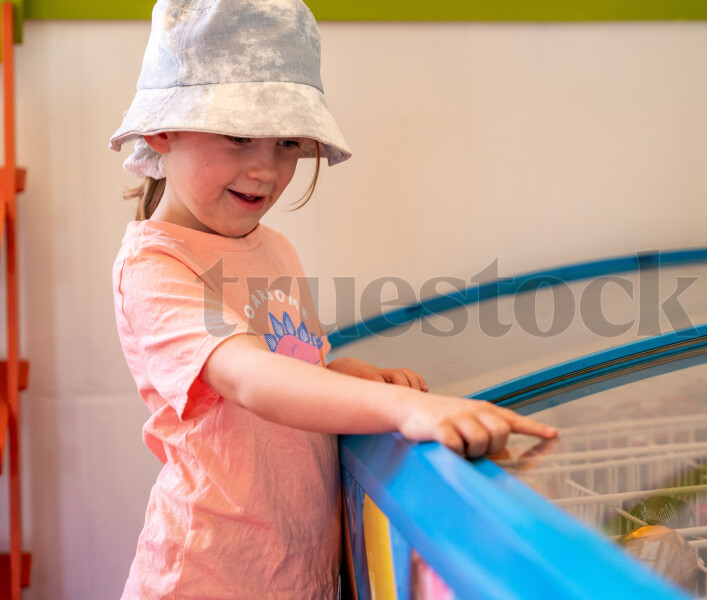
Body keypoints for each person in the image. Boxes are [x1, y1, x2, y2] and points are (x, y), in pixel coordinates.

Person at [109, 1, 557, 598]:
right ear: (162, 129)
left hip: (298, 572)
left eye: (288, 142)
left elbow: (288, 374)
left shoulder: (274, 248)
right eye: (239, 135)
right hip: (211, 575)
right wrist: (404, 410)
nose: (266, 170)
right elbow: (248, 378)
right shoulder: (154, 264)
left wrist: (343, 375)